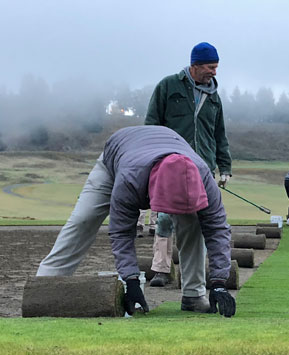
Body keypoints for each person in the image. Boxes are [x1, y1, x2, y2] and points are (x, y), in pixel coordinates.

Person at [35, 126, 236, 317]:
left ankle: (193, 295)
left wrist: (219, 281)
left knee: (194, 223)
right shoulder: (129, 180)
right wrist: (130, 279)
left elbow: (217, 229)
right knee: (83, 220)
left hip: (160, 147)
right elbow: (121, 232)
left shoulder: (204, 179)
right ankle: (44, 286)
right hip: (118, 158)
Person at [145, 42, 232, 285]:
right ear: (194, 65)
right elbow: (152, 123)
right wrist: (153, 158)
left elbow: (220, 134)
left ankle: (192, 276)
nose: (214, 72)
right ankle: (161, 270)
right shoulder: (168, 86)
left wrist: (225, 168)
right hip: (171, 163)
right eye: (209, 66)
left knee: (200, 218)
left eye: (216, 67)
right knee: (164, 216)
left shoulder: (215, 99)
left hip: (203, 166)